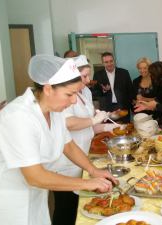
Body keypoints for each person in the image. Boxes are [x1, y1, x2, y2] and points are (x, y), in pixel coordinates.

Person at [0, 55, 116, 225]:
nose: (73, 101)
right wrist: (86, 183)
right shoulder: (18, 117)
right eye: (69, 94)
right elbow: (34, 176)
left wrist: (93, 170)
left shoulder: (54, 111)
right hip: (10, 200)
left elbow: (69, 146)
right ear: (48, 89)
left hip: (35, 196)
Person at [51, 55, 119, 225]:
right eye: (84, 76)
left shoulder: (85, 92)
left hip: (81, 153)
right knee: (66, 207)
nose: (89, 80)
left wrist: (107, 127)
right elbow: (68, 123)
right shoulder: (64, 97)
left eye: (89, 75)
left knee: (78, 205)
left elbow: (83, 131)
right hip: (65, 162)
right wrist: (93, 121)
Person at [93, 52, 135, 122]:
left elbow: (130, 90)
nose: (109, 64)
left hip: (123, 107)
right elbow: (95, 92)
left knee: (125, 129)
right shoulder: (98, 75)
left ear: (114, 61)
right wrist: (103, 90)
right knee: (109, 131)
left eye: (111, 61)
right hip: (107, 109)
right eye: (106, 62)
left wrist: (132, 107)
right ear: (102, 63)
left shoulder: (124, 73)